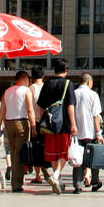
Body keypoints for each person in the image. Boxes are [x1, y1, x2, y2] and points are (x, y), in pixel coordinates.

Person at [36, 59, 77, 194]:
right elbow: (70, 106)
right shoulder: (68, 84)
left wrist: (43, 122)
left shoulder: (47, 84)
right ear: (66, 70)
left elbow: (40, 106)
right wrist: (73, 124)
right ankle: (56, 174)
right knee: (63, 152)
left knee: (53, 153)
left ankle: (56, 179)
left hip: (49, 123)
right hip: (63, 123)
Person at [0, 69, 36, 192]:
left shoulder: (7, 91)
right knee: (20, 153)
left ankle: (14, 179)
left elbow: (2, 110)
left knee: (13, 151)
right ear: (25, 79)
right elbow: (30, 110)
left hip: (8, 123)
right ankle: (16, 183)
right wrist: (34, 126)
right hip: (22, 123)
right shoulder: (26, 91)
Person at [72, 73, 103, 193]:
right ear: (89, 82)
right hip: (90, 132)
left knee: (78, 158)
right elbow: (96, 116)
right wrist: (98, 132)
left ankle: (78, 184)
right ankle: (95, 181)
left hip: (76, 132)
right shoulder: (93, 94)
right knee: (93, 158)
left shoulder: (73, 94)